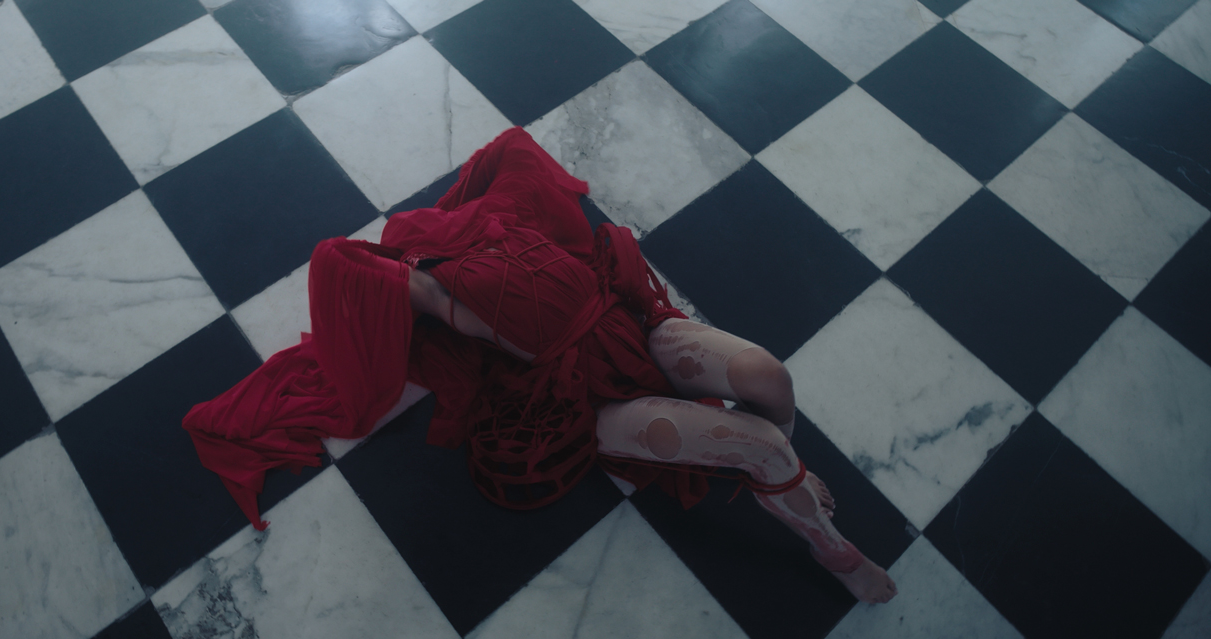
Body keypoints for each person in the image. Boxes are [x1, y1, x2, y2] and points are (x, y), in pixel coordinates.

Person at [183, 127, 897, 604]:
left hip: (629, 331)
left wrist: (469, 209)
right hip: (582, 395)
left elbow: (514, 147)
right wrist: (399, 263)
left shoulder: (504, 212)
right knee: (759, 444)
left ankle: (788, 476)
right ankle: (829, 546)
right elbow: (337, 262)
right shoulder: (434, 289)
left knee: (770, 378)